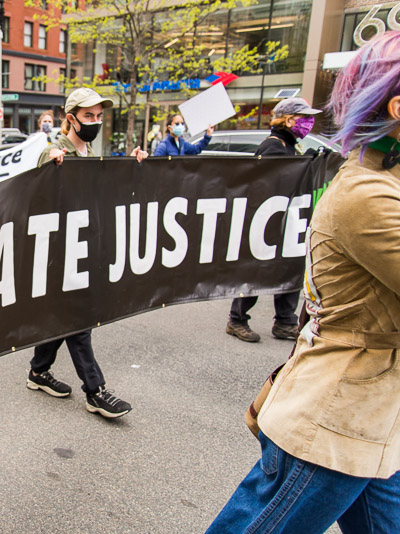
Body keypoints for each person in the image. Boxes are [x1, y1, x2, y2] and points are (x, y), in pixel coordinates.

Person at [207, 30, 400, 534]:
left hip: (379, 423)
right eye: (298, 117)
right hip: (336, 422)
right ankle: (238, 315)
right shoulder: (368, 195)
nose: (305, 123)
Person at [28, 87, 146, 419]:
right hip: (60, 255)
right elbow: (37, 194)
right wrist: (48, 169)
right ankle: (95, 391)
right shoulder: (54, 153)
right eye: (88, 116)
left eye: (98, 116)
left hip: (85, 251)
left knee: (66, 318)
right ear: (70, 119)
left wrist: (136, 169)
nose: (94, 121)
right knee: (79, 320)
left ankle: (38, 371)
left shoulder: (92, 152)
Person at [226, 97, 321, 343]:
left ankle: (285, 322)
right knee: (258, 271)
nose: (309, 123)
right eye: (304, 118)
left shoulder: (289, 146)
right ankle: (237, 319)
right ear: (288, 120)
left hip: (288, 221)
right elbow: (269, 184)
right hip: (267, 222)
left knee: (289, 270)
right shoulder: (272, 146)